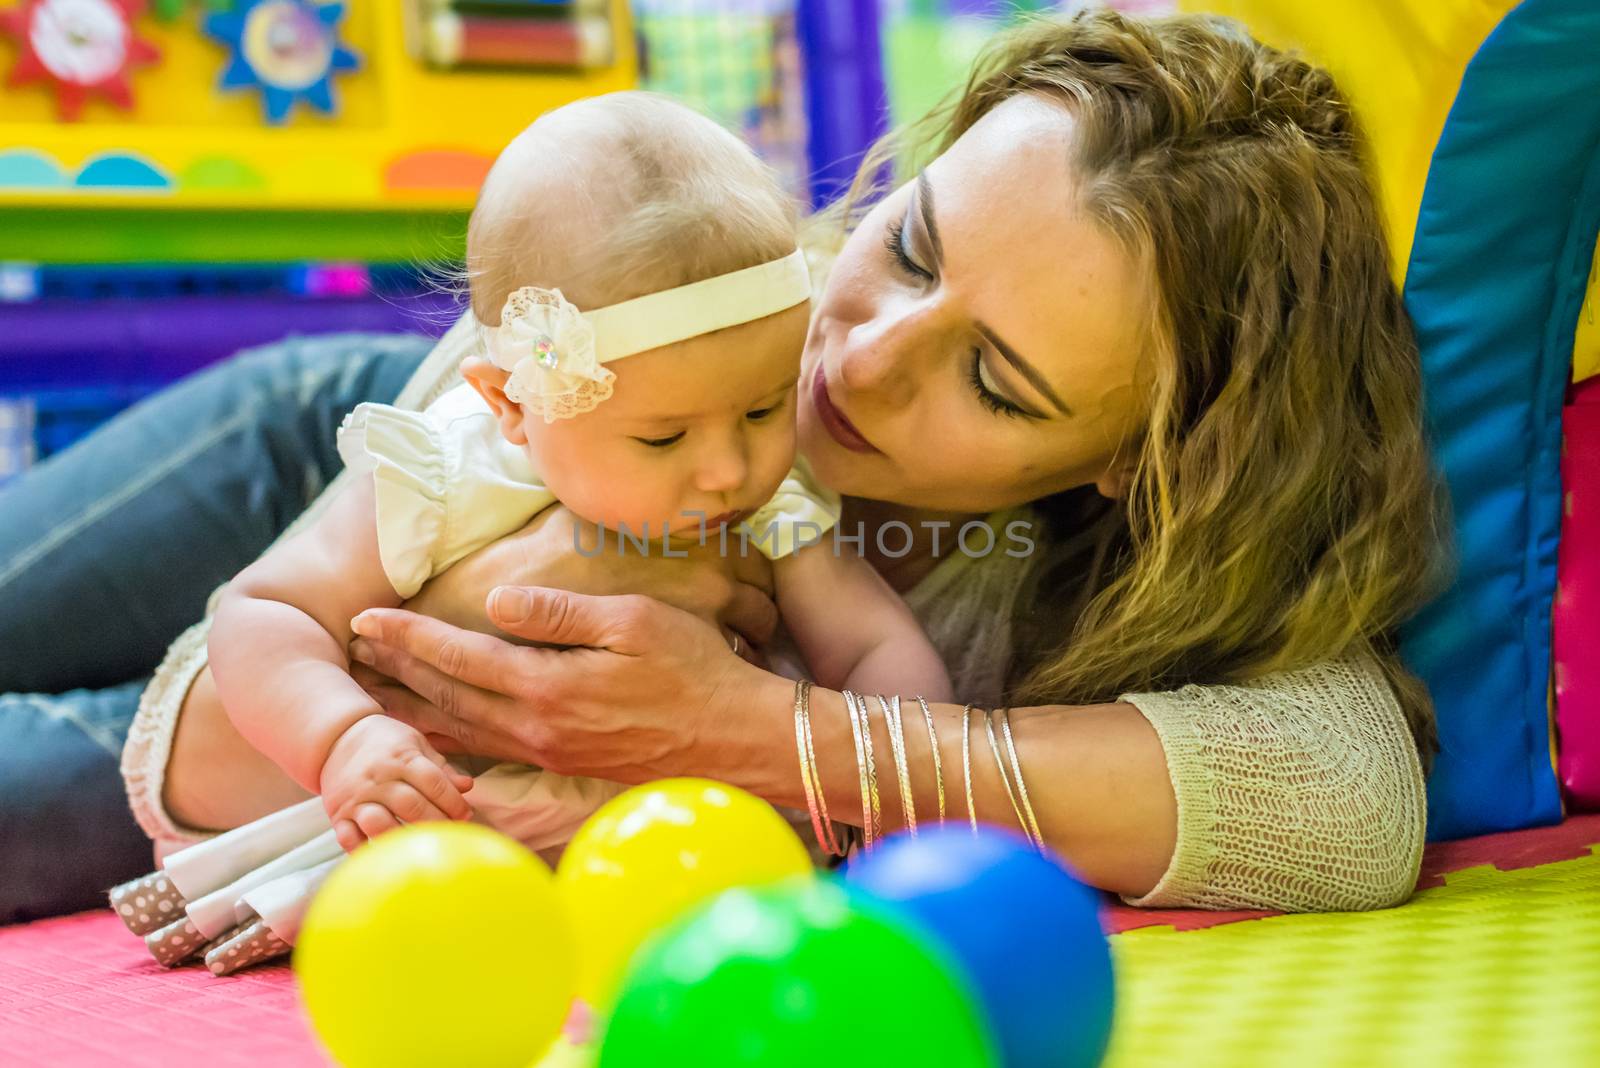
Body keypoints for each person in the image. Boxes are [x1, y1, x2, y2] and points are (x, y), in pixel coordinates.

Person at [0, 8, 1436, 923]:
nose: (853, 359)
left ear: (1138, 460)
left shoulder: (1057, 597)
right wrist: (470, 634)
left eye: (995, 381)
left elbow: (1356, 805)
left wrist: (752, 731)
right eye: (912, 245)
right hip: (341, 483)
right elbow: (234, 670)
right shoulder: (651, 299)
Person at [209, 93, 949, 854]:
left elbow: (872, 648)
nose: (731, 470)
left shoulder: (778, 511)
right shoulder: (443, 479)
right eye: (663, 439)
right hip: (447, 861)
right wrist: (344, 738)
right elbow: (265, 612)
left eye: (763, 410)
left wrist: (893, 795)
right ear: (513, 405)